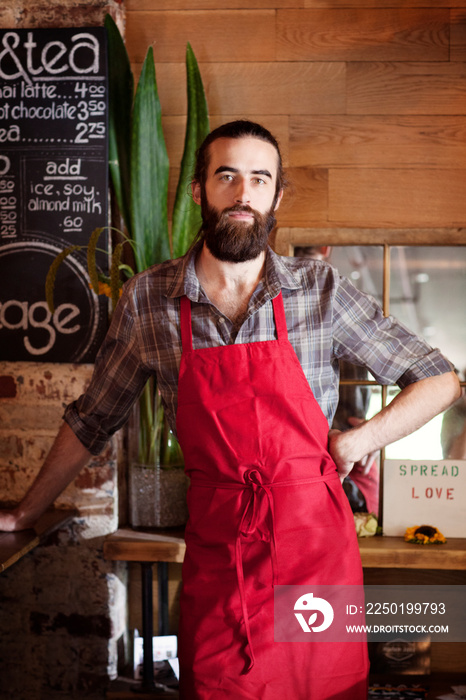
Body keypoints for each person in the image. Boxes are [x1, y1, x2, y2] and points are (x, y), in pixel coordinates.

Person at [0, 120, 460, 699]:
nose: (243, 194)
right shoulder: (150, 299)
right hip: (222, 563)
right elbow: (93, 419)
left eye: (259, 180)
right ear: (200, 191)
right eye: (227, 176)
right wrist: (23, 514)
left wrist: (356, 442)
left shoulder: (319, 290)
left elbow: (440, 381)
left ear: (276, 196)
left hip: (314, 559)